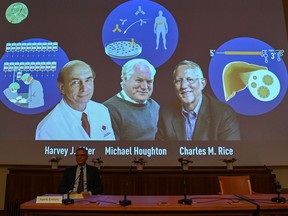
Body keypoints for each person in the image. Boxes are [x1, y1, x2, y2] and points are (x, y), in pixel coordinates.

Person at [156, 60, 240, 141]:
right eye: (178, 81)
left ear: (202, 84)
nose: (183, 86)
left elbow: (231, 152)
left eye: (190, 80)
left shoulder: (223, 114)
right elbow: (162, 152)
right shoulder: (166, 114)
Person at [35, 60, 115, 140]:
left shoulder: (102, 111)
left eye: (88, 80)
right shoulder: (48, 127)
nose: (84, 88)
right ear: (62, 87)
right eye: (75, 82)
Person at [103, 58, 159, 140]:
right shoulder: (108, 110)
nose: (144, 87)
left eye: (149, 81)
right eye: (139, 80)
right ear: (125, 79)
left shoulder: (155, 106)